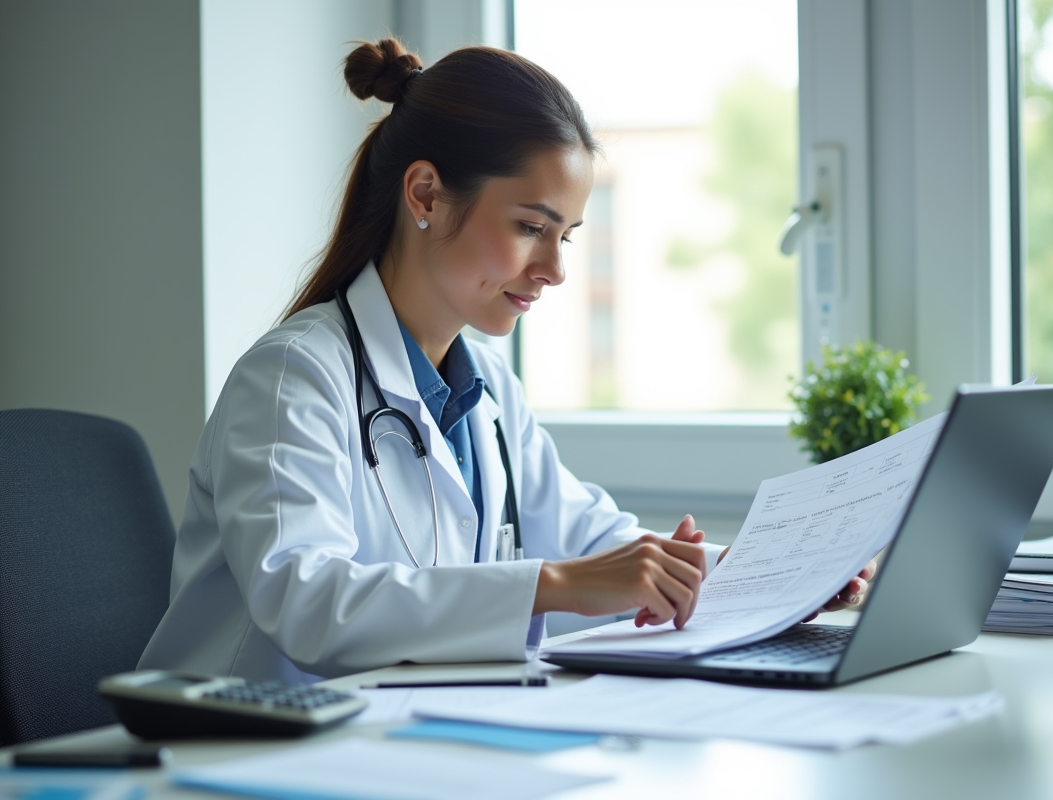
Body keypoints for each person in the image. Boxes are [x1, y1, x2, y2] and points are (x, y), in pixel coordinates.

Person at [139, 39, 872, 684]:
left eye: (568, 236)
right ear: (425, 193)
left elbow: (594, 541)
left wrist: (781, 575)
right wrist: (553, 585)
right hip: (237, 752)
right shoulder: (293, 378)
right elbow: (309, 604)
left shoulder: (487, 388)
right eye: (531, 227)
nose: (553, 268)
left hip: (401, 741)